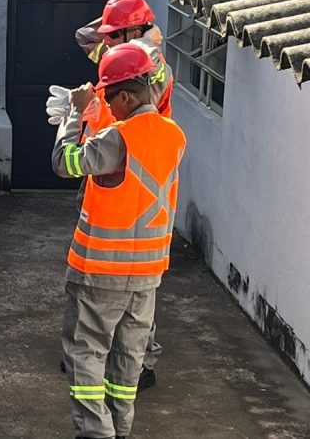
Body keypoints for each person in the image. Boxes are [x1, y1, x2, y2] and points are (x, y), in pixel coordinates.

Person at [52, 43, 186, 439]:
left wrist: (74, 115)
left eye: (110, 97)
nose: (108, 104)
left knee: (85, 356)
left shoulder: (117, 138)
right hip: (147, 275)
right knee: (128, 363)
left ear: (125, 96)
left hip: (100, 272)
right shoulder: (174, 135)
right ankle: (119, 429)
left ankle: (96, 433)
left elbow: (65, 163)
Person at [48, 0, 173, 390]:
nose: (107, 44)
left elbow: (125, 92)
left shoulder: (150, 67)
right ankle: (130, 359)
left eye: (116, 35)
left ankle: (141, 358)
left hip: (132, 163)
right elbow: (85, 38)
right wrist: (119, 33)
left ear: (137, 29)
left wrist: (139, 41)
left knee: (131, 272)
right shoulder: (131, 54)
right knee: (134, 274)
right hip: (110, 160)